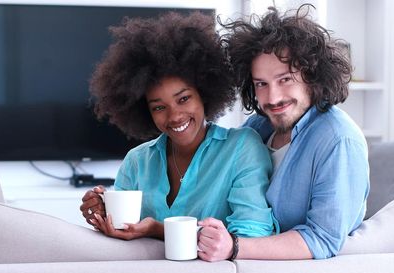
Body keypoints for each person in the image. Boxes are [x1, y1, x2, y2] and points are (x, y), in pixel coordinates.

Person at [79, 11, 277, 247]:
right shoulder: (137, 161)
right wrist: (103, 212)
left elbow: (251, 234)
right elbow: (123, 236)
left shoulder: (241, 148)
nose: (174, 116)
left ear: (204, 94)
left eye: (183, 99)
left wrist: (157, 229)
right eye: (159, 107)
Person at [196, 5, 369, 261]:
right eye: (261, 84)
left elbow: (322, 239)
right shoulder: (258, 127)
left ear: (311, 75)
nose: (273, 97)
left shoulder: (339, 140)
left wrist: (234, 247)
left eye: (285, 79)